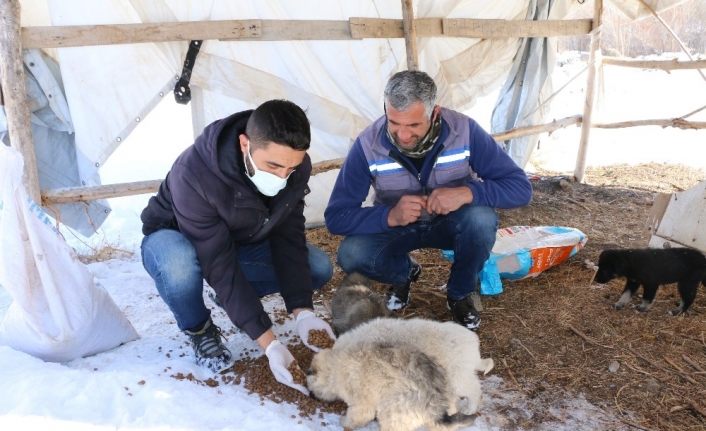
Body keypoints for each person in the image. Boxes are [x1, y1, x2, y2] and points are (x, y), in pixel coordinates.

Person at [140, 99, 334, 394]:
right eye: (273, 165)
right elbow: (219, 263)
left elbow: (289, 236)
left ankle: (233, 301)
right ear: (245, 144)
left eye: (291, 167)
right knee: (178, 265)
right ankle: (199, 329)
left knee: (316, 267)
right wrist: (269, 343)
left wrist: (302, 311)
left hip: (239, 240)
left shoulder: (296, 167)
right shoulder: (194, 175)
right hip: (174, 237)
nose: (283, 176)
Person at [324, 71, 532, 331]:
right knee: (352, 253)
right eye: (394, 123)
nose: (403, 135)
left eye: (413, 125)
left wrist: (468, 193)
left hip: (451, 224)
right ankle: (404, 273)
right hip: (398, 228)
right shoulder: (367, 144)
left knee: (481, 220)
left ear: (435, 114)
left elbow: (520, 188)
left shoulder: (465, 131)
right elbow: (336, 217)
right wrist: (389, 216)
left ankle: (459, 294)